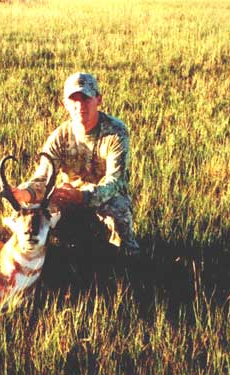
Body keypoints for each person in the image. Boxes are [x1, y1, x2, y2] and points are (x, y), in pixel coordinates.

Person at [12, 72, 140, 257]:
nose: (80, 106)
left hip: (102, 197)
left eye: (86, 99)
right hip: (67, 197)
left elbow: (115, 182)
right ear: (65, 104)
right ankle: (38, 259)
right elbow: (43, 177)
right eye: (74, 100)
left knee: (118, 210)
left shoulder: (116, 132)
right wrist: (25, 193)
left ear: (98, 100)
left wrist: (82, 196)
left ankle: (128, 262)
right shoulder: (59, 136)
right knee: (29, 211)